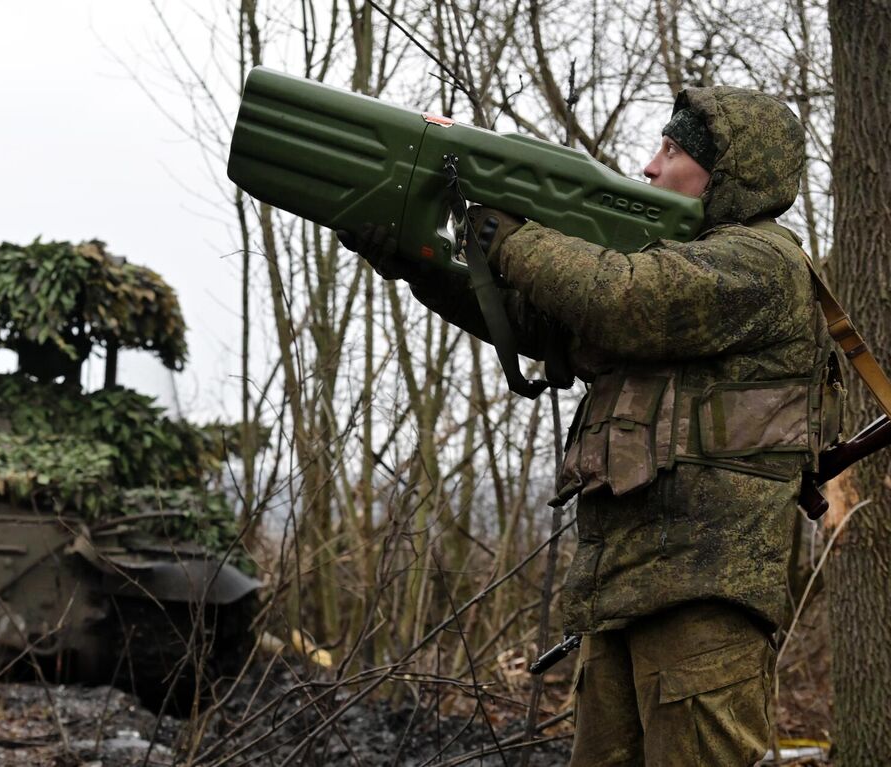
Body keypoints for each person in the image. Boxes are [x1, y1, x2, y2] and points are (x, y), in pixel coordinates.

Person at [342, 87, 826, 766]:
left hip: (702, 598)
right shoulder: (676, 265)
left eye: (674, 150)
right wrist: (418, 265)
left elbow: (621, 298)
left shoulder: (761, 262)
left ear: (734, 175)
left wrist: (509, 235)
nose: (651, 166)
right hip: (623, 589)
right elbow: (542, 322)